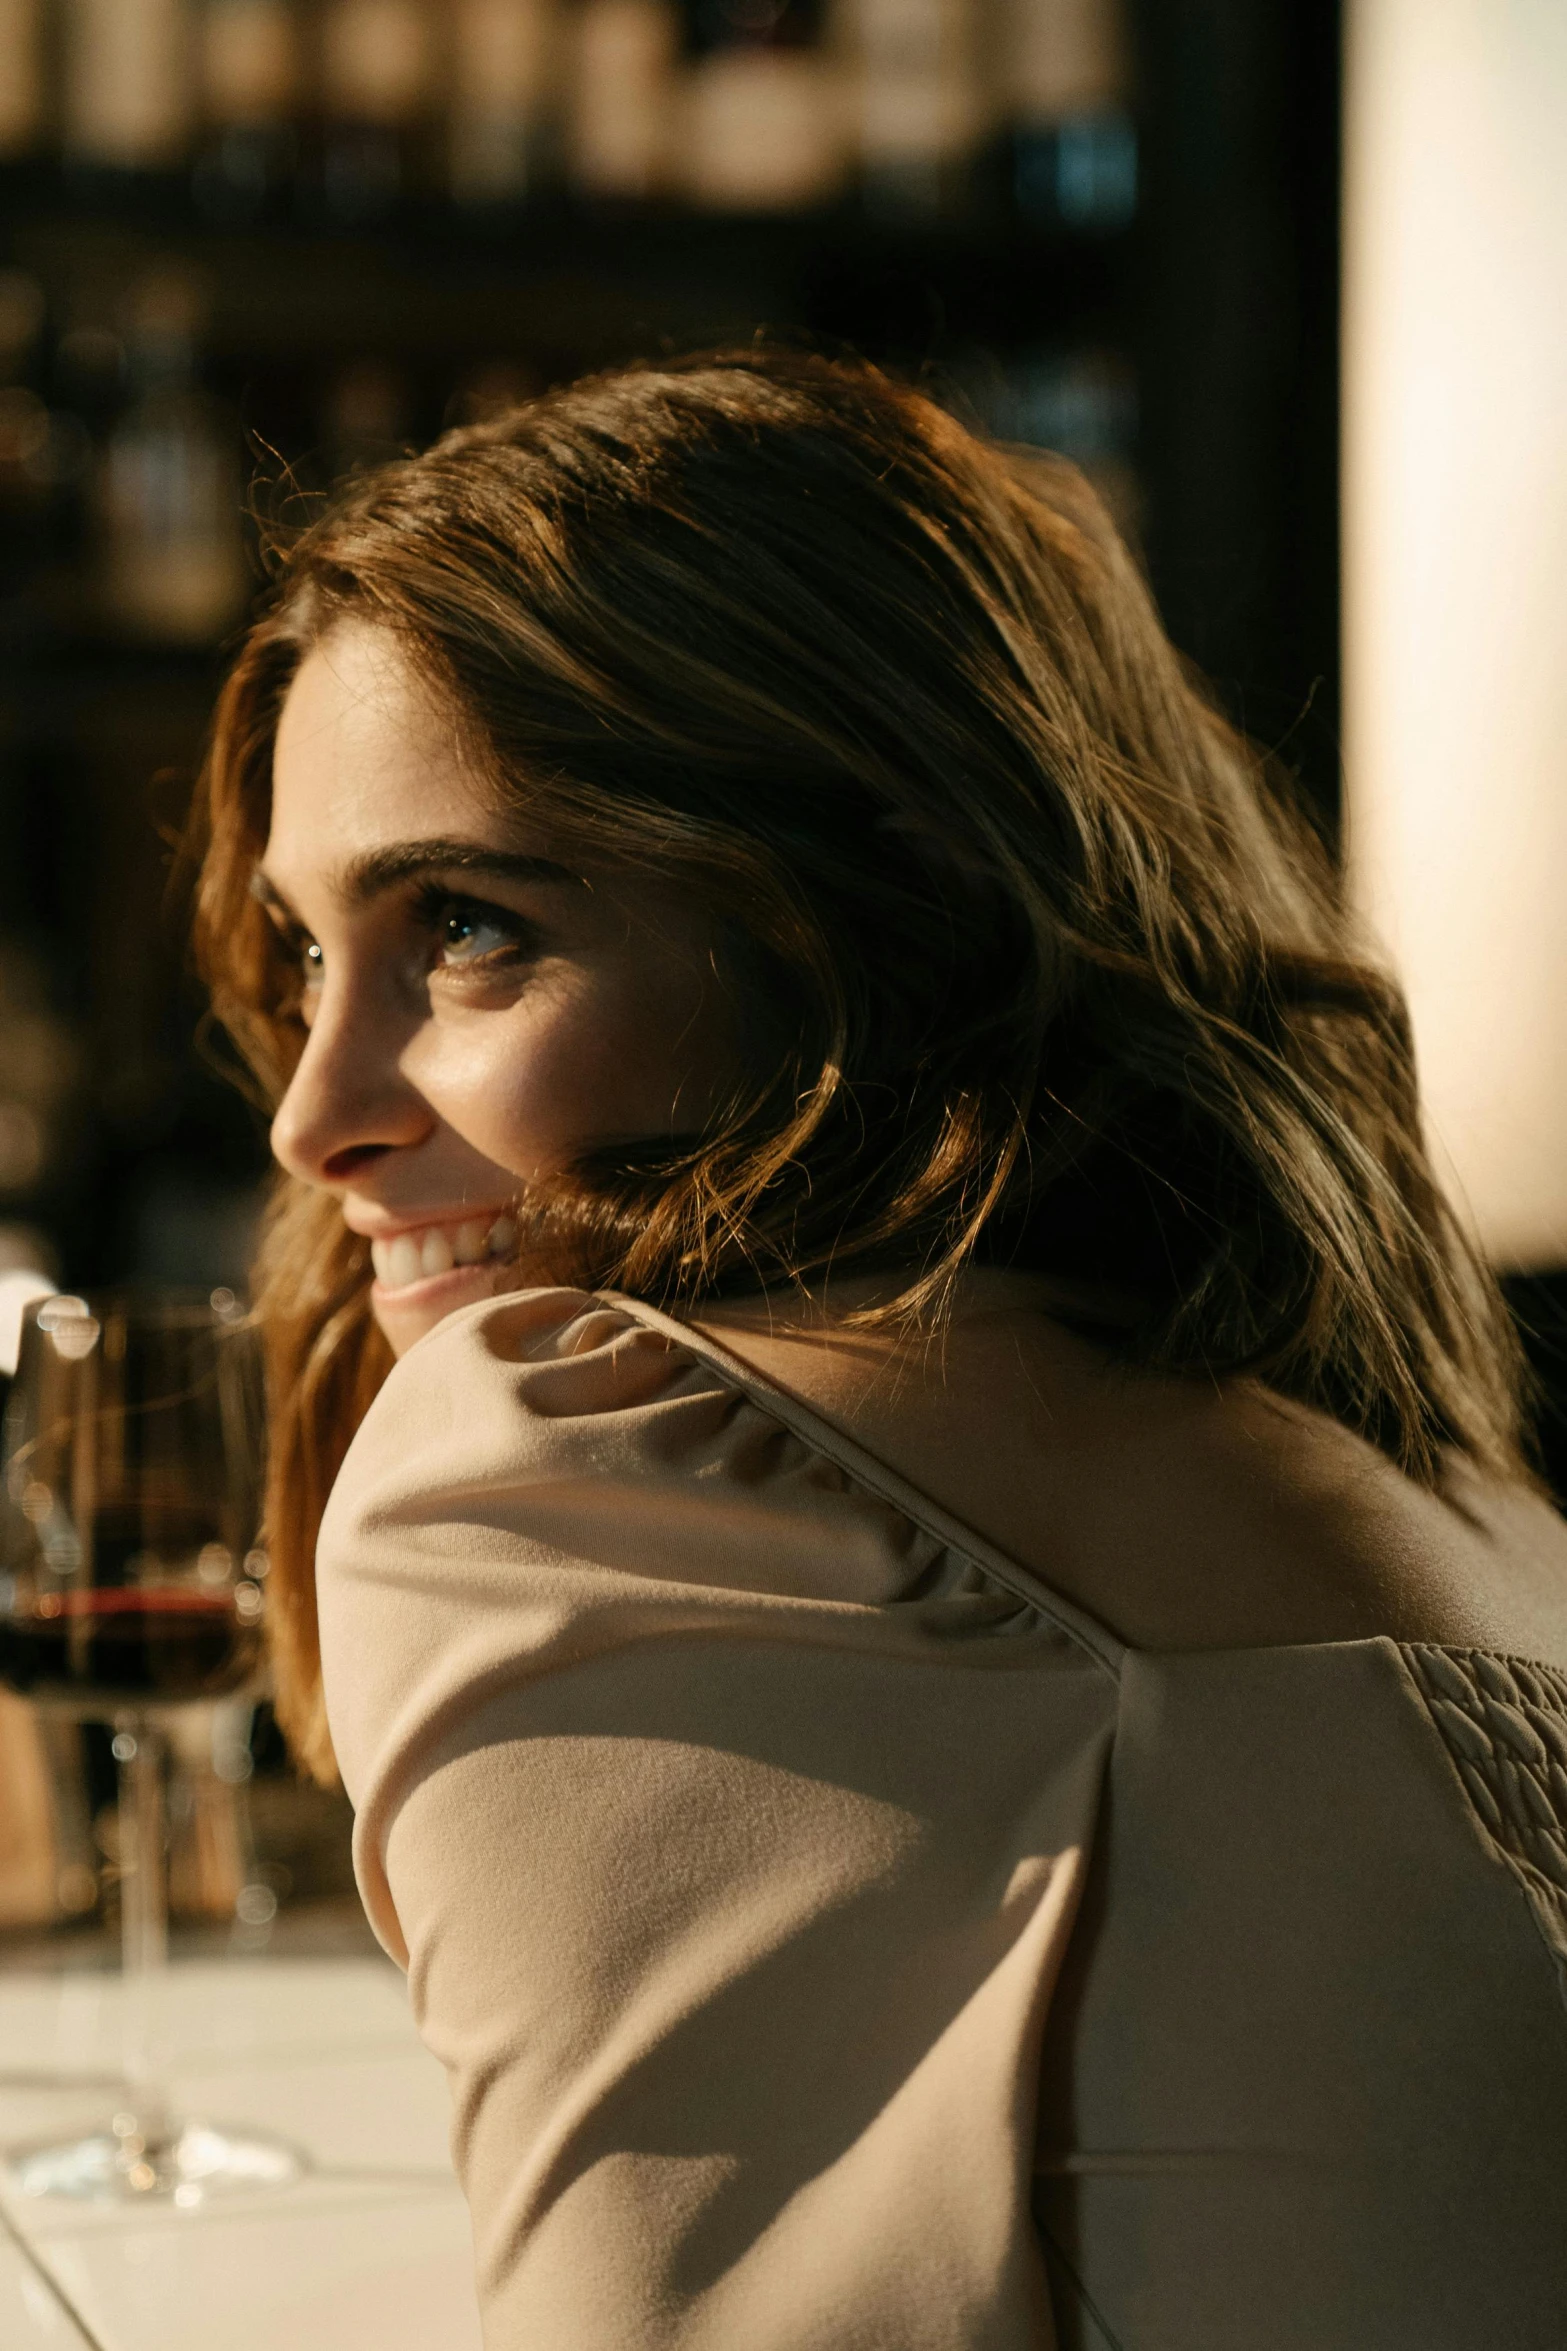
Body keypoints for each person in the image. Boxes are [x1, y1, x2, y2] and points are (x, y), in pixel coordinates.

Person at [192, 352, 1567, 2349]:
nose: (312, 1113)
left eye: (470, 923)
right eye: (309, 947)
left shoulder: (567, 1456)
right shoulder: (1472, 1495)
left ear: (874, 915)